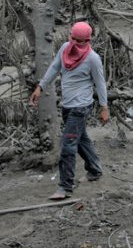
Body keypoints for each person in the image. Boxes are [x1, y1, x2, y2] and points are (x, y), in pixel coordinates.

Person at [29, 21, 110, 200]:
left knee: (68, 145)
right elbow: (54, 67)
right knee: (80, 140)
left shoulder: (93, 59)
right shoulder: (65, 49)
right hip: (67, 105)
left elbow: (100, 84)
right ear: (70, 36)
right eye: (73, 39)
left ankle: (65, 187)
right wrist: (40, 87)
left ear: (87, 41)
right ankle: (95, 170)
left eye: (80, 41)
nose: (75, 43)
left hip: (81, 107)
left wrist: (104, 107)